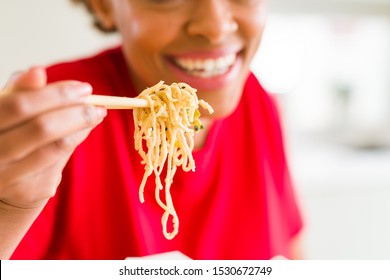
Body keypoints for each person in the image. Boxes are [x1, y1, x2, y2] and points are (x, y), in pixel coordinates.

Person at [0, 0, 303, 260]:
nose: (215, 27)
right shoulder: (52, 125)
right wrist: (9, 207)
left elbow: (291, 251)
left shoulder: (257, 100)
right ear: (104, 6)